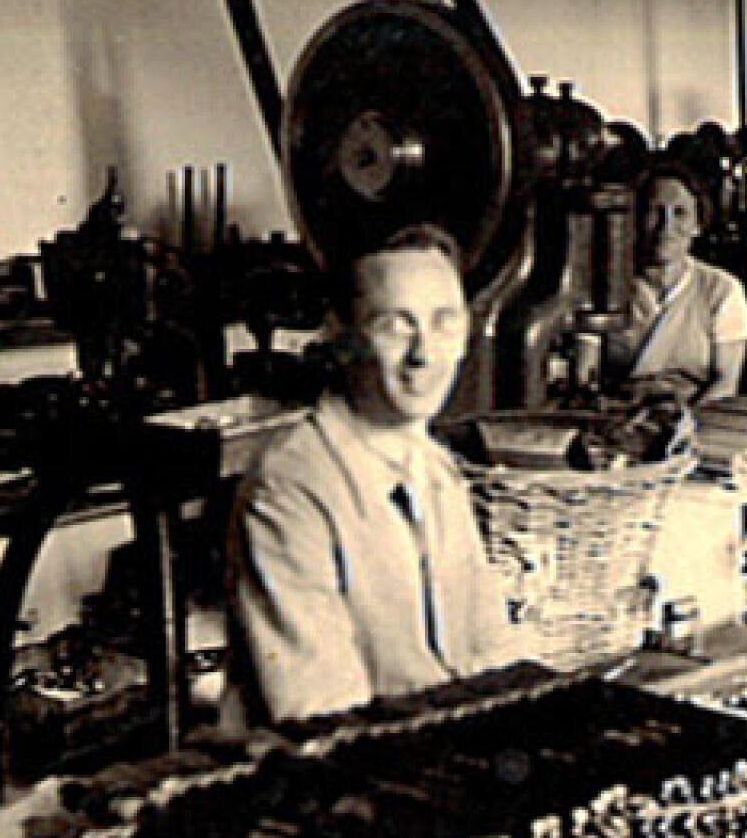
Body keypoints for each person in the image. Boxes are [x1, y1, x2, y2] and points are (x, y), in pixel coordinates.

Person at [226, 224, 532, 726]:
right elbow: (322, 717)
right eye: (394, 325)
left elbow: (492, 658)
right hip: (342, 778)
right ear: (339, 334)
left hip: (440, 751)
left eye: (444, 323)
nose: (424, 355)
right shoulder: (291, 487)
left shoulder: (435, 467)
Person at [541, 164, 747, 405]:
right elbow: (584, 377)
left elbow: (725, 384)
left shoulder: (722, 290)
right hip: (617, 419)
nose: (666, 226)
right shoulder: (607, 288)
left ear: (698, 225)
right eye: (654, 211)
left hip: (697, 423)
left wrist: (683, 428)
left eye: (680, 213)